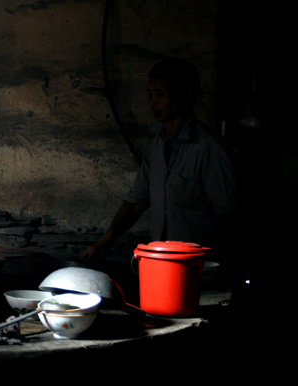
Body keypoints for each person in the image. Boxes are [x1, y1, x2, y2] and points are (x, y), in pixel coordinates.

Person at [83, 58, 237, 263]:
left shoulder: (209, 148)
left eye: (160, 95)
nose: (152, 102)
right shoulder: (156, 145)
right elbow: (137, 201)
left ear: (185, 96)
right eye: (150, 94)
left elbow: (228, 215)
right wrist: (106, 240)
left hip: (201, 266)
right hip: (164, 262)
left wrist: (213, 261)